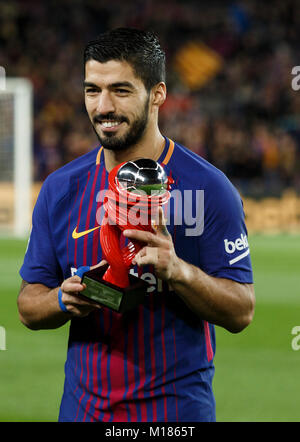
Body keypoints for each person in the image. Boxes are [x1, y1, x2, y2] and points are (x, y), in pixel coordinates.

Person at [18, 27, 255, 422]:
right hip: (83, 413)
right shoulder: (60, 189)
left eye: (121, 90)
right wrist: (63, 299)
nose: (103, 106)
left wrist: (179, 272)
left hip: (176, 416)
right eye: (92, 90)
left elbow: (241, 311)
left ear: (158, 93)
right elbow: (28, 305)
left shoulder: (209, 188)